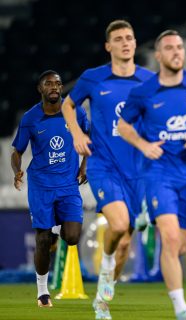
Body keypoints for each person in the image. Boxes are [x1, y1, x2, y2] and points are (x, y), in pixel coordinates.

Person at [117, 29, 186, 320]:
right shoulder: (143, 91)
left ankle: (149, 226)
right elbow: (123, 126)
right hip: (158, 173)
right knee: (169, 237)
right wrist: (143, 145)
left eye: (180, 47)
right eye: (170, 48)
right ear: (158, 55)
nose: (177, 52)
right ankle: (181, 309)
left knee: (179, 247)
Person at [61, 20, 154, 319]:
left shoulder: (149, 80)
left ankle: (102, 298)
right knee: (117, 226)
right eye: (119, 38)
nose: (125, 42)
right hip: (104, 166)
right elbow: (67, 105)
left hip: (137, 171)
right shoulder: (93, 78)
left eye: (130, 37)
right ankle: (104, 278)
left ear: (136, 43)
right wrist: (76, 133)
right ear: (108, 46)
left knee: (126, 241)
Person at [11, 70, 89, 307]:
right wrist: (17, 171)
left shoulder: (75, 111)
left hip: (68, 184)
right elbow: (17, 152)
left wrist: (85, 165)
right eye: (49, 84)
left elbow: (88, 136)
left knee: (73, 237)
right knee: (42, 240)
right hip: (41, 186)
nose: (55, 87)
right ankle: (42, 292)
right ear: (40, 89)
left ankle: (57, 230)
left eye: (58, 83)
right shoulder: (30, 118)